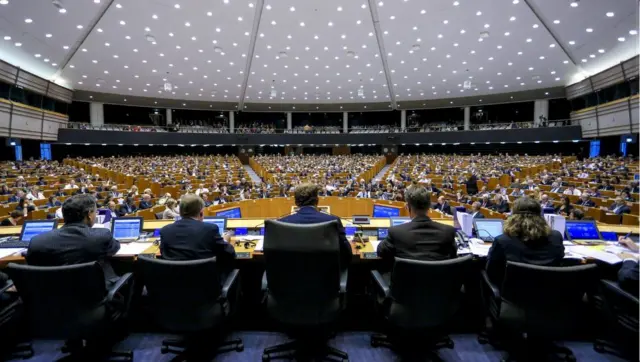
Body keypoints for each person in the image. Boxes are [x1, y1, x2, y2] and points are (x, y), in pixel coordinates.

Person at [26, 194, 121, 287]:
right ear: (89, 215)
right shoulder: (101, 235)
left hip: (51, 298)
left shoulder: (36, 241)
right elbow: (114, 248)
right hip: (92, 296)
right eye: (95, 212)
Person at [486, 197, 565, 286]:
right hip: (550, 294)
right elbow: (560, 260)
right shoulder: (556, 236)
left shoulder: (503, 240)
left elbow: (491, 272)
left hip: (513, 296)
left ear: (513, 216)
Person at [377, 186, 457, 271]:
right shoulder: (448, 231)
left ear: (408, 207)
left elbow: (381, 252)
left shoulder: (396, 232)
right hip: (440, 283)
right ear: (429, 206)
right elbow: (453, 255)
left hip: (406, 283)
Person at [279, 183, 352, 268]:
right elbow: (347, 253)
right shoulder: (332, 221)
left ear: (296, 202)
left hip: (290, 276)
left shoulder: (282, 222)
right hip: (326, 277)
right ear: (317, 200)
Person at [159, 194, 235, 274]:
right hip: (205, 282)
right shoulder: (210, 229)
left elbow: (163, 254)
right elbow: (229, 253)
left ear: (180, 212)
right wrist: (225, 240)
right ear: (201, 213)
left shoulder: (165, 230)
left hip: (173, 283)